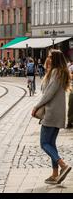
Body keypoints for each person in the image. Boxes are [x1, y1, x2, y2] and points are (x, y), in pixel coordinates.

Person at [32, 49, 71, 185]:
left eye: (49, 56)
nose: (47, 58)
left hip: (51, 113)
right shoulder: (60, 72)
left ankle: (63, 165)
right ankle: (55, 174)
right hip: (58, 113)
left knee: (44, 143)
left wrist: (36, 106)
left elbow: (48, 93)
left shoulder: (56, 73)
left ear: (54, 58)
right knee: (51, 144)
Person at [67, 61, 73, 129]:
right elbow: (69, 77)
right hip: (72, 89)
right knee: (71, 105)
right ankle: (69, 122)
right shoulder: (71, 67)